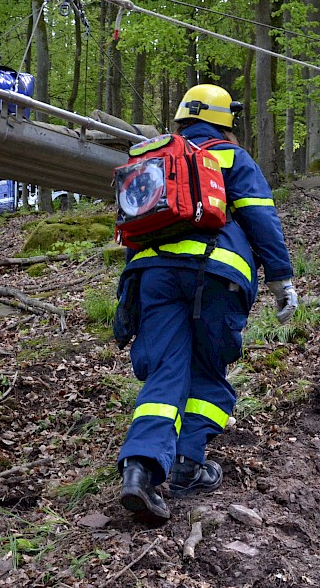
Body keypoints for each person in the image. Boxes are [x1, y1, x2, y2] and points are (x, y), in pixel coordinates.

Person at [112, 83, 296, 526]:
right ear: (225, 120)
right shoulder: (231, 157)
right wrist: (282, 279)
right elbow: (260, 216)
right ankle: (187, 465)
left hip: (151, 278)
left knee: (167, 372)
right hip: (215, 275)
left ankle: (140, 469)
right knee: (209, 374)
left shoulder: (155, 159)